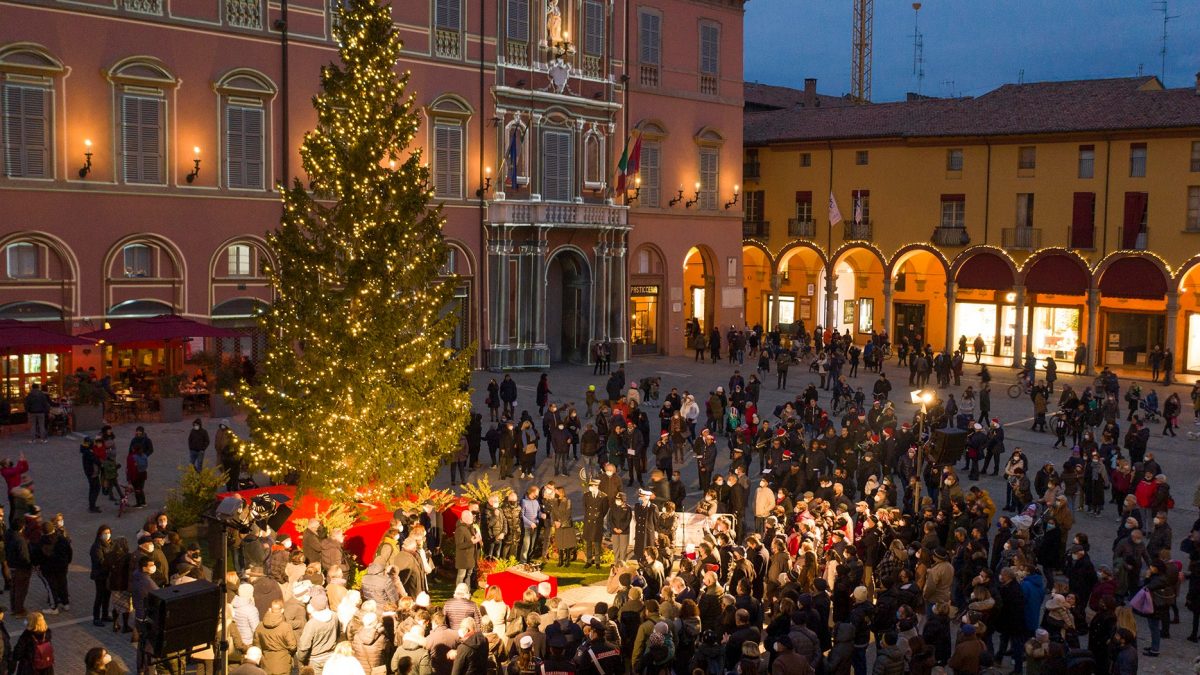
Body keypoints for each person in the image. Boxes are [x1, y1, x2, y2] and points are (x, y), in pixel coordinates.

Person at [89, 525, 112, 627]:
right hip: (100, 575)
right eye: (105, 533)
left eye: (108, 532)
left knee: (107, 595)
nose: (107, 535)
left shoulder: (109, 544)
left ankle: (105, 615)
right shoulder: (96, 547)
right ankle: (96, 617)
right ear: (100, 534)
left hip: (107, 575)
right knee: (99, 596)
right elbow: (100, 561)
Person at [125, 427, 153, 509]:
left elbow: (130, 469)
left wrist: (129, 479)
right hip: (142, 473)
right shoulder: (143, 455)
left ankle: (139, 503)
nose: (138, 434)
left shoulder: (133, 457)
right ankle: (143, 502)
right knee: (140, 488)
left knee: (137, 488)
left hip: (136, 474)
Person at [454, 510, 481, 588]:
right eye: (470, 517)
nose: (472, 518)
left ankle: (466, 592)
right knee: (461, 576)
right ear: (465, 518)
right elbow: (459, 545)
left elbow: (471, 539)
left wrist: (475, 538)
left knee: (468, 576)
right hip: (463, 558)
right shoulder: (460, 529)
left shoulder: (470, 527)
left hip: (470, 557)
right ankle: (458, 594)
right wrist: (472, 542)